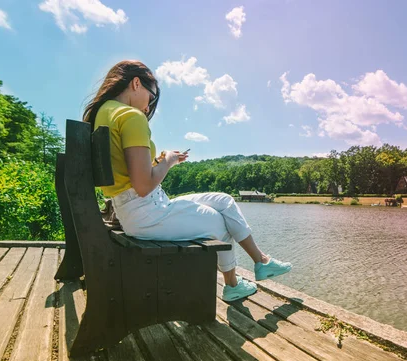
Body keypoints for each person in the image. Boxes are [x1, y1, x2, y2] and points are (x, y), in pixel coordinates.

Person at [83, 60, 292, 301]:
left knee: (222, 201)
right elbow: (142, 186)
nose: (148, 108)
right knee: (218, 222)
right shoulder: (130, 117)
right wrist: (168, 161)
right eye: (151, 99)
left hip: (136, 209)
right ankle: (233, 285)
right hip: (145, 212)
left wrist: (160, 160)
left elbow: (128, 174)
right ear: (136, 83)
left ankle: (262, 261)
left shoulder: (104, 113)